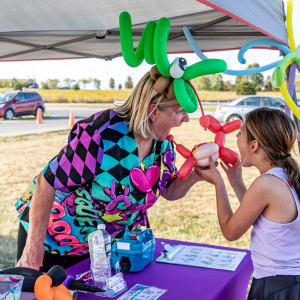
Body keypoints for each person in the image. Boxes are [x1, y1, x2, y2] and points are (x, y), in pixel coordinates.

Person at [15, 67, 204, 272]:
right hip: (54, 238)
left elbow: (167, 190)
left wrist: (195, 176)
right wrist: (33, 249)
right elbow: (47, 181)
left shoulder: (162, 145)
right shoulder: (101, 136)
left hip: (102, 244)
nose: (186, 119)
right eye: (180, 111)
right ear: (153, 111)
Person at [198, 107, 300, 299]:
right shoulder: (285, 176)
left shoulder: (265, 184)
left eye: (239, 134)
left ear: (254, 145)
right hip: (290, 283)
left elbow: (230, 232)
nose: (236, 138)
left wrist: (218, 183)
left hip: (274, 286)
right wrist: (236, 182)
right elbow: (260, 214)